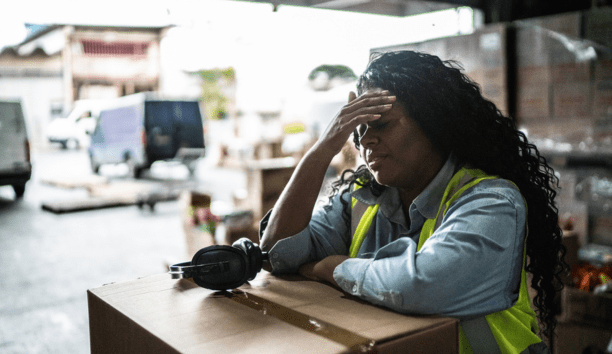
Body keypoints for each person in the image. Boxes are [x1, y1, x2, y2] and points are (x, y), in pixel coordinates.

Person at [259, 50, 565, 354]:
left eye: (381, 124)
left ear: (434, 124)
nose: (365, 141)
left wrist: (332, 268)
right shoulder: (362, 199)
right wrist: (322, 149)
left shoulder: (492, 202)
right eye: (360, 129)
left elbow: (422, 286)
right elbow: (278, 254)